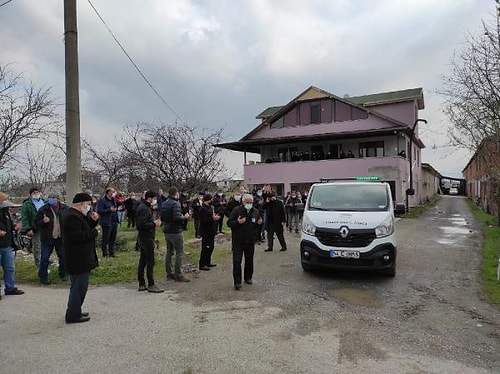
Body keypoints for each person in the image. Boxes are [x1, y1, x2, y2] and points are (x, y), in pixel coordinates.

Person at [61, 192, 99, 324]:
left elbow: (85, 228)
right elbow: (78, 236)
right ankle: (73, 315)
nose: (89, 207)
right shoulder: (72, 217)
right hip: (78, 258)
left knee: (79, 286)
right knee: (79, 287)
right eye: (88, 204)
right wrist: (94, 232)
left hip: (80, 257)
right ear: (81, 204)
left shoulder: (77, 215)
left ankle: (75, 310)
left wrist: (94, 221)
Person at [227, 194, 262, 290]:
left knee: (249, 260)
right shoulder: (236, 210)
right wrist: (238, 222)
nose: (249, 204)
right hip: (238, 240)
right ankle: (237, 282)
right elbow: (229, 223)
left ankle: (248, 277)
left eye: (251, 202)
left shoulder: (255, 211)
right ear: (243, 202)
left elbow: (257, 225)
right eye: (247, 202)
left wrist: (259, 224)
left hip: (250, 240)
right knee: (237, 261)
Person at [34, 192, 67, 285]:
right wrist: (43, 221)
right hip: (47, 238)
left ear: (58, 199)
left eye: (53, 198)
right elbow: (36, 222)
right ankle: (43, 277)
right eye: (49, 197)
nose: (51, 199)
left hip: (60, 237)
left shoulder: (65, 208)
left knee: (63, 256)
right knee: (44, 258)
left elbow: (69, 220)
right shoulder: (44, 209)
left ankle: (63, 273)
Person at [160, 186, 190, 282]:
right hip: (175, 231)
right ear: (176, 193)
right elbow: (177, 217)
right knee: (179, 252)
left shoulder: (164, 203)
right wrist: (184, 217)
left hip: (167, 230)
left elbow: (162, 216)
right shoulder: (175, 204)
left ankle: (169, 273)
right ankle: (178, 274)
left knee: (169, 252)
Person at [135, 190, 163, 293]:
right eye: (154, 198)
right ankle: (151, 284)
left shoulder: (145, 207)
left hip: (145, 237)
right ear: (150, 198)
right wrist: (154, 224)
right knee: (150, 261)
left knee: (143, 260)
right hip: (146, 237)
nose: (155, 200)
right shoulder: (144, 209)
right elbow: (141, 225)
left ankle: (141, 283)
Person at [0, 192, 24, 298]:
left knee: (9, 268)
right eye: (4, 199)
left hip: (7, 244)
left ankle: (10, 288)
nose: (6, 202)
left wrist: (15, 227)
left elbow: (10, 225)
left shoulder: (6, 212)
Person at [21, 186, 45, 268]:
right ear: (30, 194)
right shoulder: (27, 204)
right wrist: (28, 228)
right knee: (37, 245)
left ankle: (44, 259)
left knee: (45, 245)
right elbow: (24, 217)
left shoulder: (44, 201)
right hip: (35, 227)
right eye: (34, 193)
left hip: (45, 227)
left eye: (37, 192)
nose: (36, 194)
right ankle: (38, 262)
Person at [198, 194, 220, 271]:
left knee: (211, 247)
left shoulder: (210, 207)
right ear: (208, 199)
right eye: (211, 199)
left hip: (211, 230)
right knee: (205, 248)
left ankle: (208, 262)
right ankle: (202, 264)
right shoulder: (203, 209)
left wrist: (214, 217)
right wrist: (213, 218)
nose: (212, 201)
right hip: (206, 231)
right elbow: (204, 220)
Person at [96, 187, 119, 257]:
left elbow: (114, 208)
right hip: (106, 222)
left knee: (112, 238)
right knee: (106, 238)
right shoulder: (102, 201)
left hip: (114, 221)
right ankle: (105, 253)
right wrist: (109, 210)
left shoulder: (113, 200)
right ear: (108, 192)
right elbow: (99, 211)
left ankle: (112, 252)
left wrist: (117, 209)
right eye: (112, 191)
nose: (113, 193)